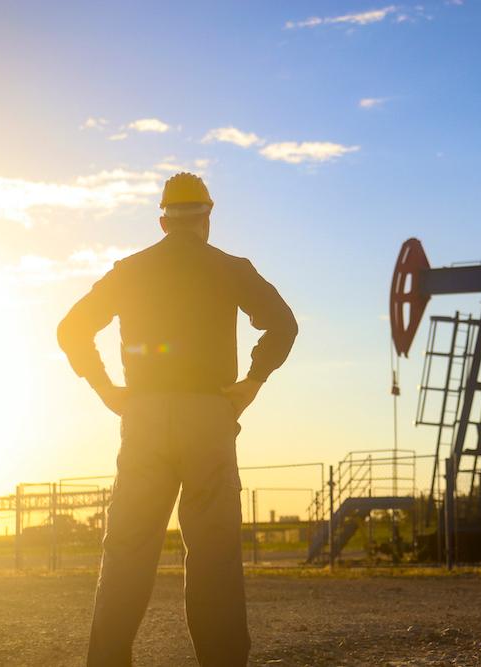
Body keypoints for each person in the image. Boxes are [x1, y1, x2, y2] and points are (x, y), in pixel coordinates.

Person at [57, 172, 297, 666]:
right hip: (208, 416)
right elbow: (284, 324)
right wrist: (252, 382)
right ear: (207, 217)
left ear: (163, 220)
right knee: (214, 556)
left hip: (142, 416)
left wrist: (105, 388)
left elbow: (71, 328)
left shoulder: (130, 270)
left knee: (126, 550)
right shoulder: (230, 267)